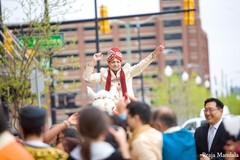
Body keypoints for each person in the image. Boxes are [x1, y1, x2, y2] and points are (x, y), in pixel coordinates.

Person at [82, 43, 165, 102]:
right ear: (108, 63)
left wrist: (154, 53)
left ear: (121, 62)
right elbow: (87, 77)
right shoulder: (103, 75)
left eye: (118, 62)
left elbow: (141, 66)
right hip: (110, 109)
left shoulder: (128, 72)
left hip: (128, 108)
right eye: (113, 62)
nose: (116, 64)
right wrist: (93, 61)